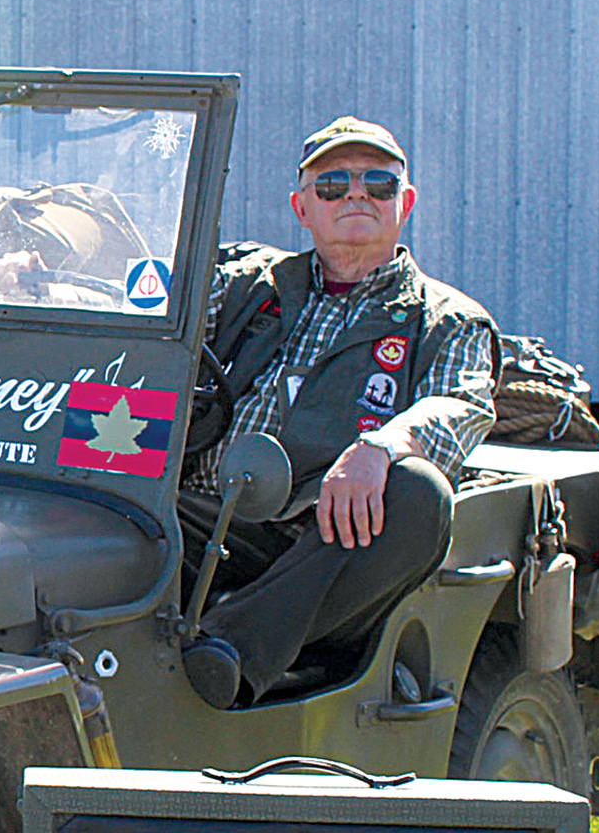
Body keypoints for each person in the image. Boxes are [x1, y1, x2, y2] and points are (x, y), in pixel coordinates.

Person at [180, 117, 498, 709]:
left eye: (377, 183)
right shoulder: (248, 282)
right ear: (303, 208)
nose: (356, 194)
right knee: (112, 502)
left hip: (325, 541)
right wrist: (45, 280)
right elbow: (153, 305)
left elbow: (461, 404)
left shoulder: (446, 318)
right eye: (332, 184)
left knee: (419, 493)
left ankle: (227, 653)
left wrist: (381, 446)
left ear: (404, 203)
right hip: (206, 515)